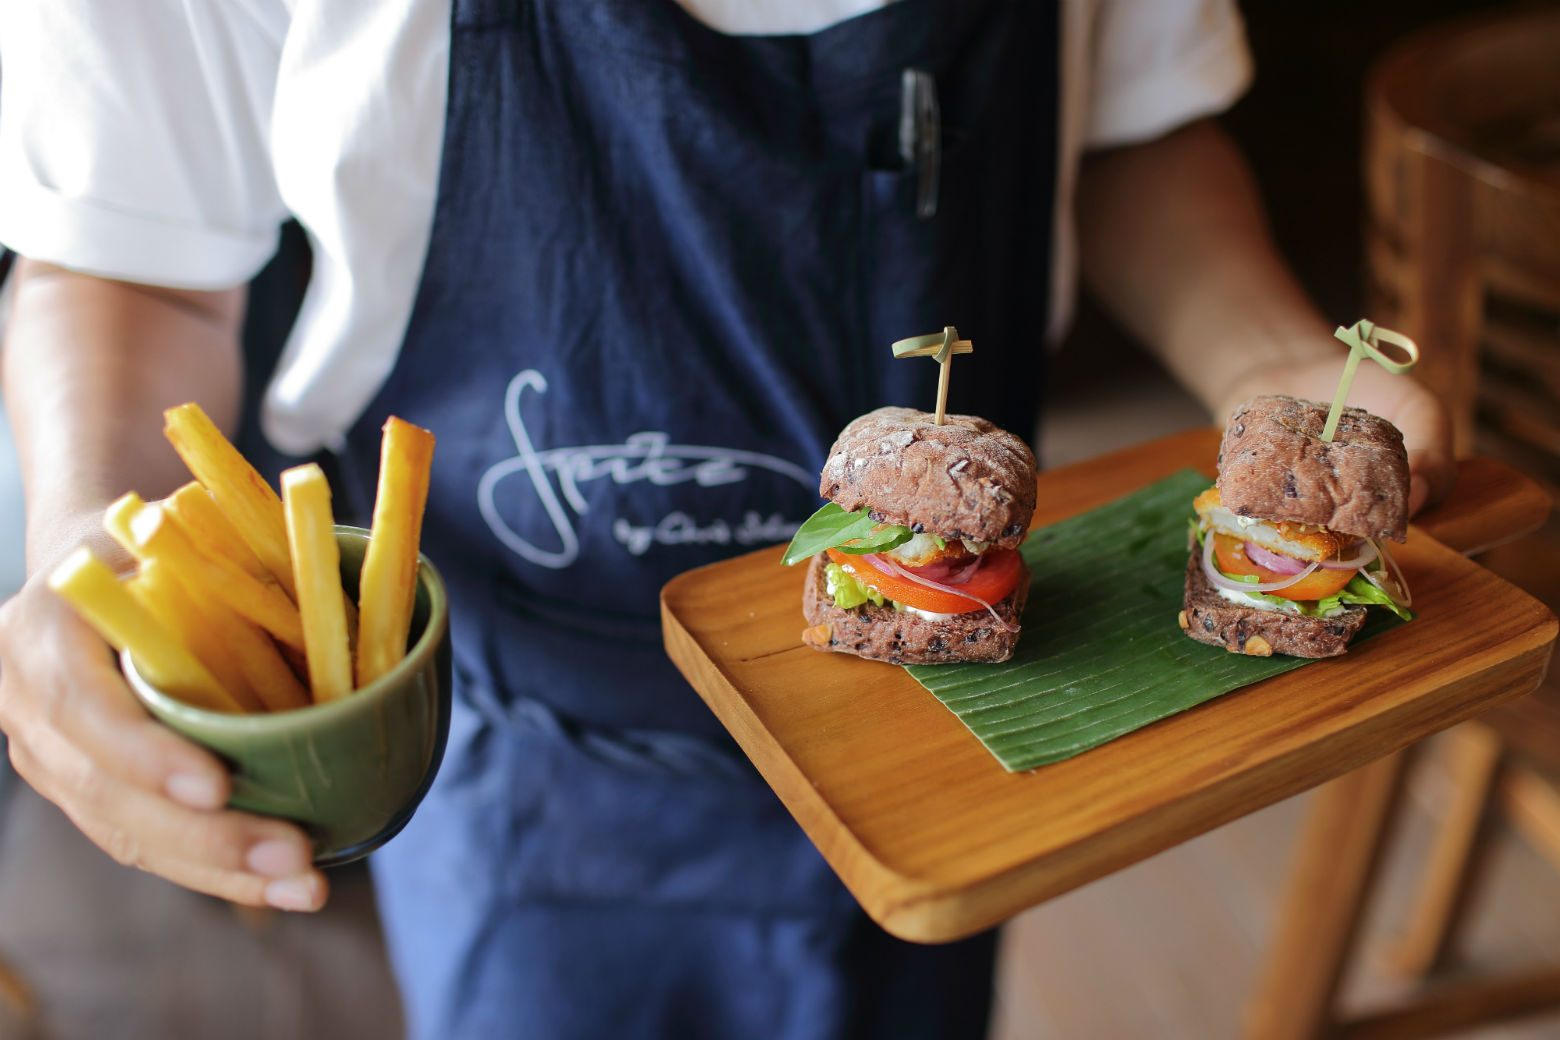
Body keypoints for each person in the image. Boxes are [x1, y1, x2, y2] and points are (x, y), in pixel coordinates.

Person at [0, 1, 1454, 1038]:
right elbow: (130, 259)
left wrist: (1269, 362)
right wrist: (87, 539)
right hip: (535, 768)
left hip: (952, 745)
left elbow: (1132, 133)